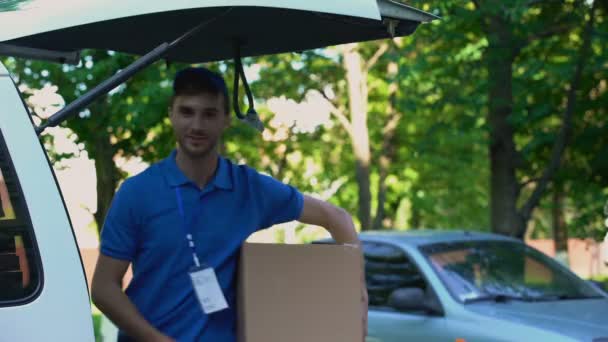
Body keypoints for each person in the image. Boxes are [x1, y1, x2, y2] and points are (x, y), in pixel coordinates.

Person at [91, 67, 368, 342]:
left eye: (209, 114)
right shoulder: (137, 193)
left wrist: (359, 295)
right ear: (171, 115)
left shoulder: (248, 189)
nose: (197, 125)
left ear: (226, 120)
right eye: (187, 112)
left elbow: (337, 217)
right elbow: (104, 288)